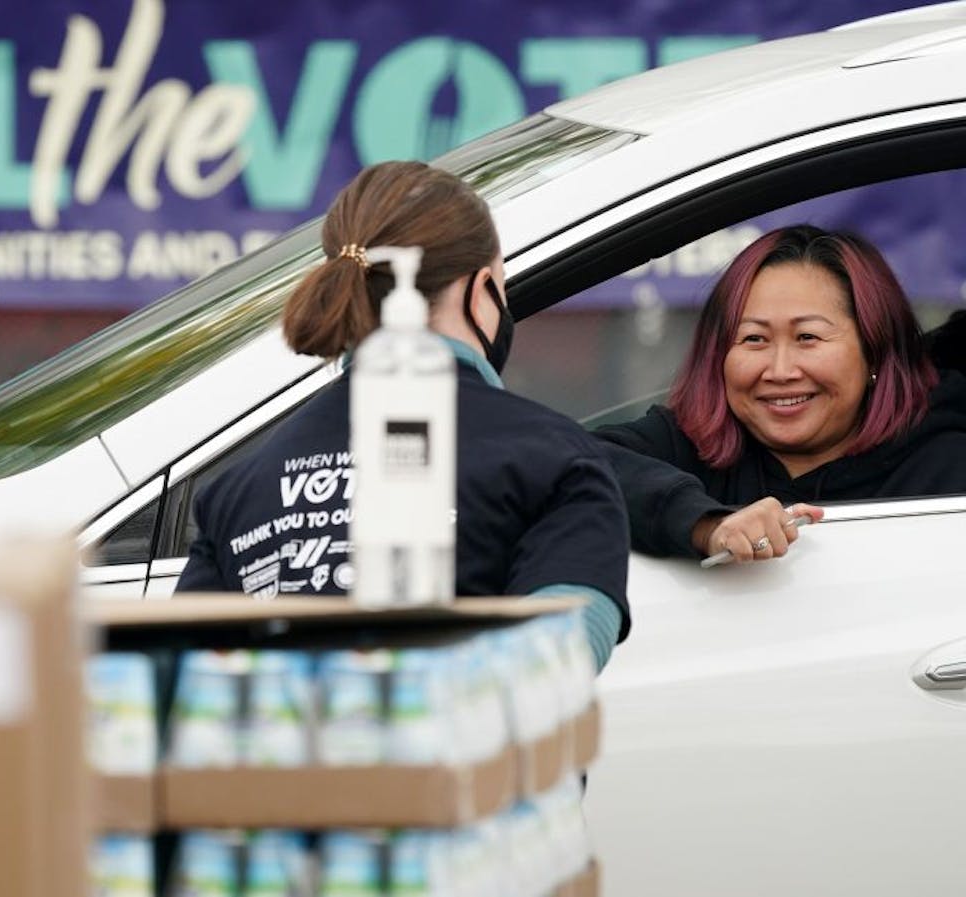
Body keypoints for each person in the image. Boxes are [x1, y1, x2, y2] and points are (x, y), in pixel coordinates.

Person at [176, 161, 630, 670]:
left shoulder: (236, 489)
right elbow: (554, 669)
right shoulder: (556, 462)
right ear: (479, 292)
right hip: (451, 747)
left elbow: (187, 685)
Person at [596, 224, 966, 563]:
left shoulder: (944, 469)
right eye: (754, 339)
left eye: (808, 337)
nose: (780, 371)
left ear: (875, 351)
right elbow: (566, 464)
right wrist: (704, 523)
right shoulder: (688, 445)